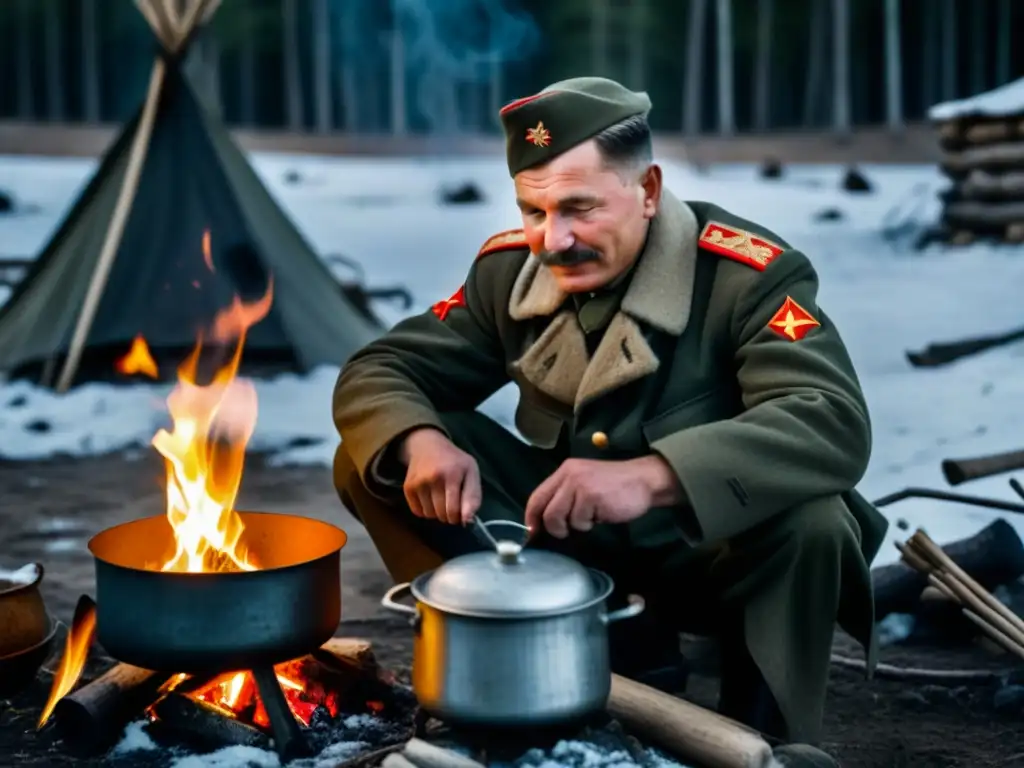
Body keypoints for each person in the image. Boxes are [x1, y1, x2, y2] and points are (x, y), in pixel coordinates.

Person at [332, 76, 887, 766]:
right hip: (571, 555)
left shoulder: (747, 278)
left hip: (711, 560)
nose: (552, 239)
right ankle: (505, 647)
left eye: (578, 209)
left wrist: (655, 476)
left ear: (648, 191)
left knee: (815, 519)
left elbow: (830, 419)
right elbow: (379, 369)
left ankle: (767, 727)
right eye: (533, 211)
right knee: (374, 451)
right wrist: (421, 442)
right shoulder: (509, 275)